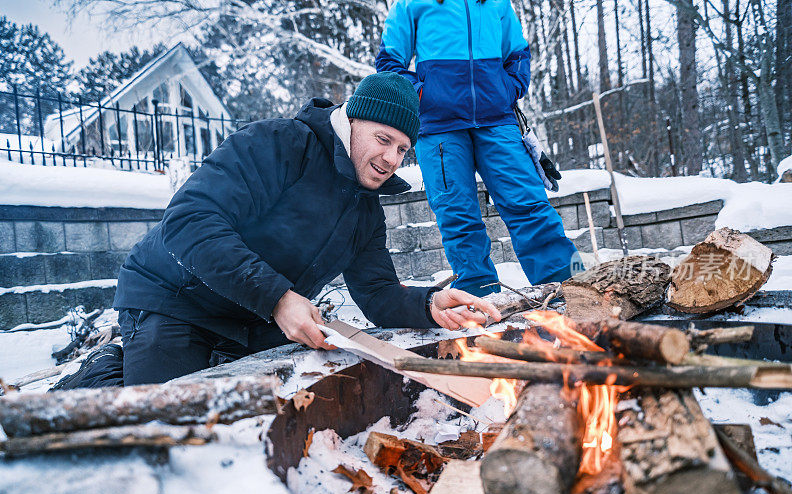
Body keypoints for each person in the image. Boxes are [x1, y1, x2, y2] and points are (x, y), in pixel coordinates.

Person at [53, 72, 501, 390]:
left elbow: (378, 293)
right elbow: (189, 221)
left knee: (276, 411)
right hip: (175, 300)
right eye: (383, 140)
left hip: (255, 319)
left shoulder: (365, 210)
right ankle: (107, 369)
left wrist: (428, 302)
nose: (391, 159)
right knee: (167, 420)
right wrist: (279, 299)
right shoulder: (277, 144)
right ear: (352, 121)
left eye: (403, 149)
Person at [376, 0, 581, 296]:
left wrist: (506, 89)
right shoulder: (410, 3)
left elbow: (518, 53)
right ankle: (479, 295)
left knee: (530, 205)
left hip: (498, 120)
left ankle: (571, 286)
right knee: (457, 214)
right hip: (438, 127)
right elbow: (389, 62)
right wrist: (424, 94)